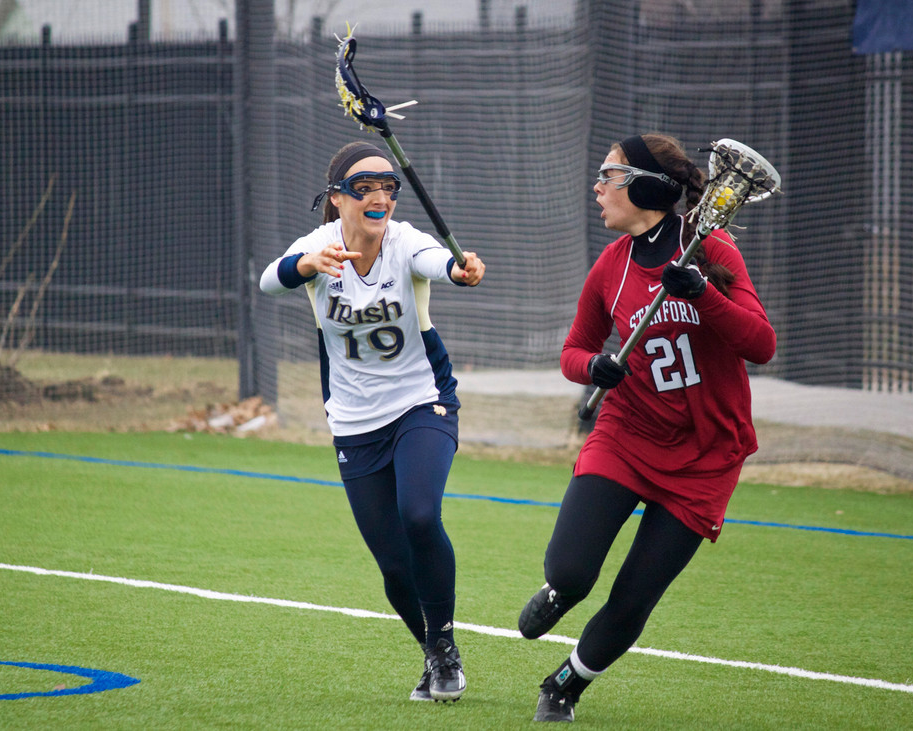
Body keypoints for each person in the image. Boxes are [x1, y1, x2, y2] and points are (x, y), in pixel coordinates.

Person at [517, 133, 775, 722]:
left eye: (609, 176)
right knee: (571, 572)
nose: (597, 187)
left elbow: (761, 344)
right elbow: (575, 348)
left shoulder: (713, 253)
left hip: (707, 456)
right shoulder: (612, 264)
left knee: (634, 597)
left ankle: (564, 684)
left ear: (647, 188)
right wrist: (594, 368)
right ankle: (560, 594)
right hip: (627, 433)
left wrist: (705, 294)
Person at [259, 141, 486, 703]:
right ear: (337, 198)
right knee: (390, 562)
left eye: (388, 186)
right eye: (365, 188)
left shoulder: (405, 241)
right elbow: (268, 279)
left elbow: (439, 262)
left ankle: (446, 646)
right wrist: (306, 266)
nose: (379, 197)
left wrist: (460, 270)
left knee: (418, 515)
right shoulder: (320, 247)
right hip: (354, 422)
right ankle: (433, 653)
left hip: (421, 402)